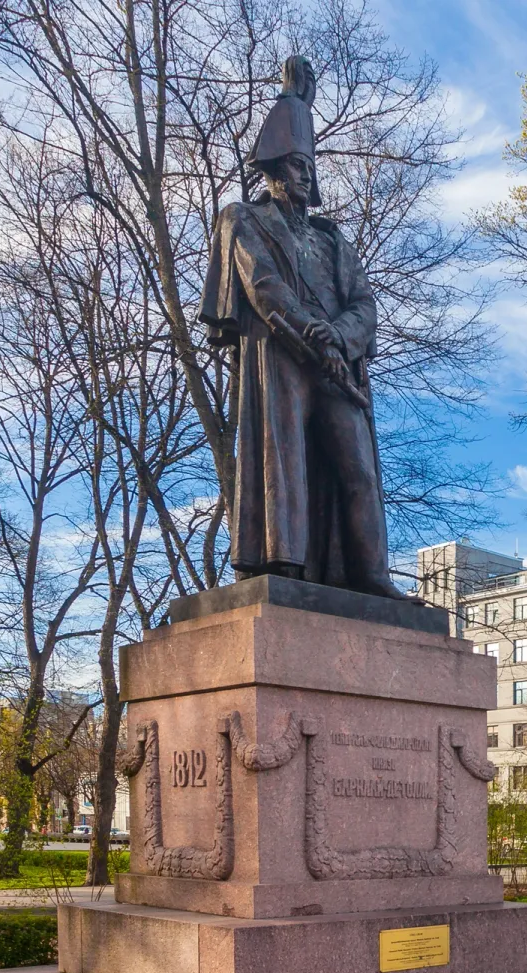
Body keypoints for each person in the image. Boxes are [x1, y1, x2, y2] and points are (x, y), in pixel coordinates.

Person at [200, 55, 403, 598]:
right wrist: (315, 335)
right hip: (284, 356)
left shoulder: (333, 239)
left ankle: (371, 576)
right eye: (293, 163)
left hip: (336, 367)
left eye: (307, 166)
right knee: (281, 465)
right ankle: (281, 567)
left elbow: (363, 302)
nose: (304, 174)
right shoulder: (243, 219)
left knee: (358, 470)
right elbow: (265, 288)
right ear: (270, 169)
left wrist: (340, 336)